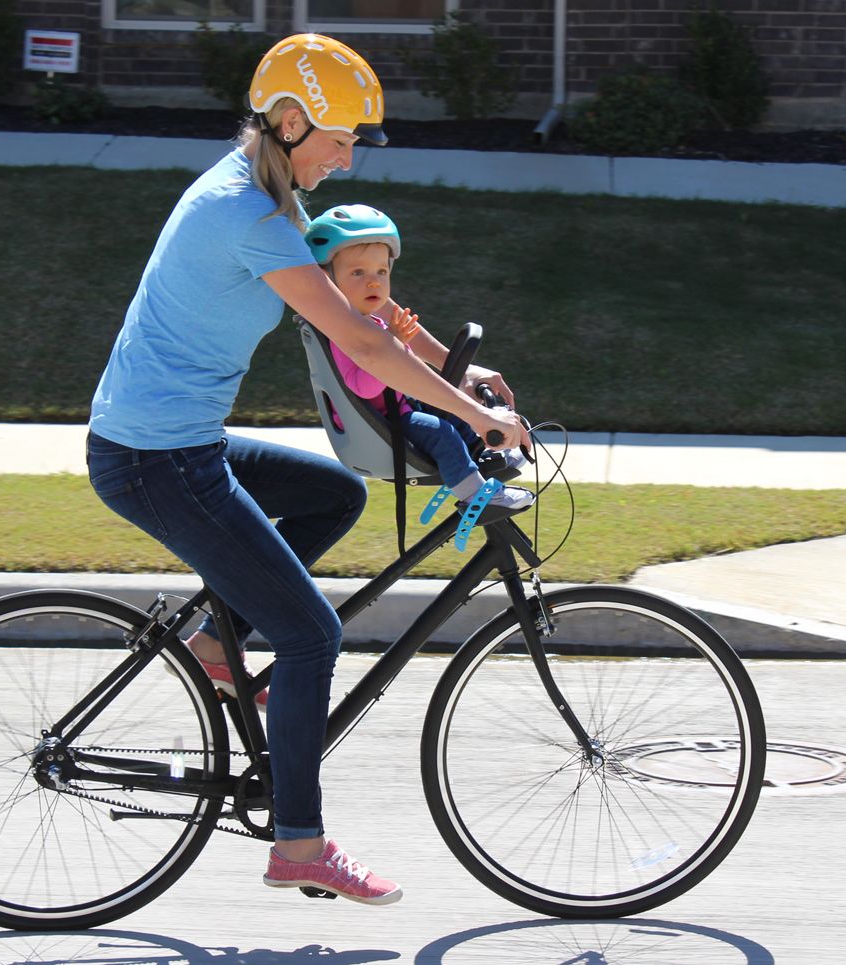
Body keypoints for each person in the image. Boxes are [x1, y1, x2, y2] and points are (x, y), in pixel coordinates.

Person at [86, 32, 526, 907]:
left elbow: (360, 314)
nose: (348, 156)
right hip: (153, 459)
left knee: (333, 494)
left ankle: (217, 646)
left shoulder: (269, 205)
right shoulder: (245, 215)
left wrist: (456, 370)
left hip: (178, 444)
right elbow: (360, 339)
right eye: (340, 137)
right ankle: (299, 842)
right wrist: (474, 416)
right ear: (288, 122)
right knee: (313, 636)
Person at [304, 203, 534, 512]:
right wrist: (392, 345)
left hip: (397, 406)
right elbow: (364, 388)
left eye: (381, 271)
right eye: (358, 272)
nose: (373, 282)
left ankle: (489, 454)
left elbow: (403, 369)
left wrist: (399, 346)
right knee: (442, 434)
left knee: (452, 412)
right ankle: (477, 497)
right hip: (382, 423)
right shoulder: (343, 334)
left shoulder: (367, 322)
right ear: (328, 280)